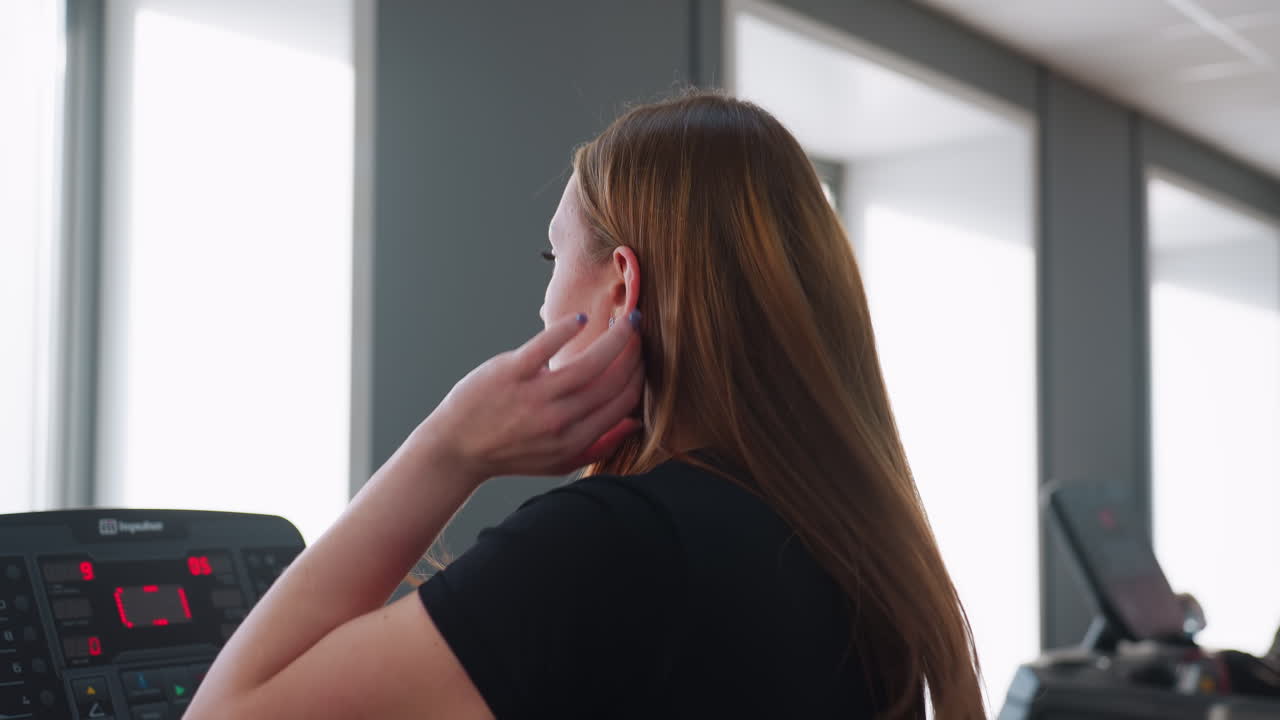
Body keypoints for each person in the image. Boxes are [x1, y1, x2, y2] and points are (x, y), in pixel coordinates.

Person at [186, 90, 984, 719]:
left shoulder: (612, 550)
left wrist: (449, 446)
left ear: (622, 285)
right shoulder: (849, 548)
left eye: (553, 255)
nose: (541, 305)